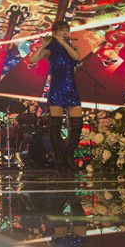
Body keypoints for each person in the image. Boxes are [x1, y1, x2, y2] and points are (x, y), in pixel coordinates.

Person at [30, 20, 83, 171]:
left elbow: (76, 57)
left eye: (67, 29)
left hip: (71, 89)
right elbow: (32, 59)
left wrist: (64, 43)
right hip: (57, 89)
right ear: (54, 33)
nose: (65, 32)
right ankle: (59, 159)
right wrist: (43, 45)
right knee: (55, 125)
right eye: (61, 30)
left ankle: (69, 156)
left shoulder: (72, 47)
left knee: (77, 124)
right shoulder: (51, 49)